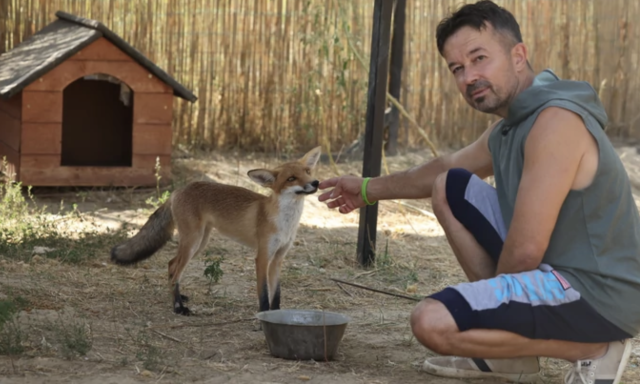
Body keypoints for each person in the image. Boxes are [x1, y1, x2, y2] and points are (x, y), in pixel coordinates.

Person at [317, 1, 640, 383]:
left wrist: (488, 312)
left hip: (598, 293)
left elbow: (524, 251)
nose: (469, 76)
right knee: (449, 186)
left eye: (479, 58)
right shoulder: (511, 124)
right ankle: (509, 358)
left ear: (518, 56)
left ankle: (597, 349)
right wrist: (368, 189)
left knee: (431, 323)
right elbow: (443, 168)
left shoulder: (555, 123)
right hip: (559, 271)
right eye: (457, 68)